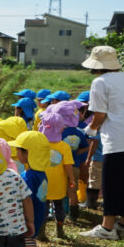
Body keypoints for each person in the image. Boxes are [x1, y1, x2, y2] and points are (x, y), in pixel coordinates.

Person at [79, 46, 124, 240]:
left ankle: (107, 227)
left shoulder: (100, 82)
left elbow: (100, 114)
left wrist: (91, 129)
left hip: (119, 138)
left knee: (112, 182)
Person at [9, 131, 51, 247]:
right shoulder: (40, 173)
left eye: (19, 150)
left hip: (28, 219)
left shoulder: (28, 176)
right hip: (37, 216)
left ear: (28, 153)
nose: (17, 153)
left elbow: (24, 199)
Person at [38, 100, 81, 238]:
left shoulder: (40, 143)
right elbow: (68, 165)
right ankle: (60, 231)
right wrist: (72, 179)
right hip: (59, 183)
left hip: (43, 182)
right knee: (59, 206)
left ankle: (41, 232)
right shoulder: (63, 146)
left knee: (43, 208)